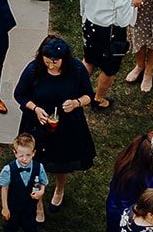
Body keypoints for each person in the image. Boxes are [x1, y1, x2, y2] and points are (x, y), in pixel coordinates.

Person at [14, 35, 96, 208]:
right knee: (36, 162)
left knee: (62, 161)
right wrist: (35, 109)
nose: (50, 66)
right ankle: (38, 202)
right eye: (47, 62)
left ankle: (60, 189)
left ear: (64, 60)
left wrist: (76, 103)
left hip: (67, 124)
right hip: (38, 122)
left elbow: (89, 95)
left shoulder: (77, 69)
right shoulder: (33, 69)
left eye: (55, 62)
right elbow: (19, 94)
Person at [80, 0, 135, 109]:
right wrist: (133, 5)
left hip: (89, 26)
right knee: (109, 68)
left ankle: (76, 90)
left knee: (89, 59)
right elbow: (123, 21)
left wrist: (84, 15)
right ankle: (99, 99)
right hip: (109, 34)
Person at [0, 132, 48, 232]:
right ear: (15, 153)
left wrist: (41, 192)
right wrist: (5, 207)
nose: (25, 159)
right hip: (13, 205)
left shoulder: (38, 167)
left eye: (28, 155)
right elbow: (4, 188)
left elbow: (43, 182)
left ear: (34, 153)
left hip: (30, 206)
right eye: (21, 155)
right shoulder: (8, 169)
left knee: (31, 228)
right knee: (10, 227)